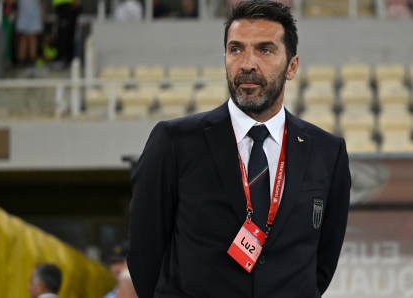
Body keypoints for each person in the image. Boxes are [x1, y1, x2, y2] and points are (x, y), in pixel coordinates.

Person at [128, 1, 351, 297]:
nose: (247, 63)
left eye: (265, 50)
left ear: (292, 66)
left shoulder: (327, 152)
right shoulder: (174, 141)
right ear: (224, 59)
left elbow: (322, 262)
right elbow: (145, 251)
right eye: (236, 49)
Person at [15, 0, 45, 67]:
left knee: (33, 36)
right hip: (23, 11)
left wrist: (44, 12)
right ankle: (21, 61)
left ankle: (32, 60)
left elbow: (42, 1)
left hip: (35, 10)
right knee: (23, 36)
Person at [53, 0, 81, 68]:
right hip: (60, 5)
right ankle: (63, 58)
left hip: (69, 4)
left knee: (68, 33)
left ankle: (69, 60)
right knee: (61, 32)